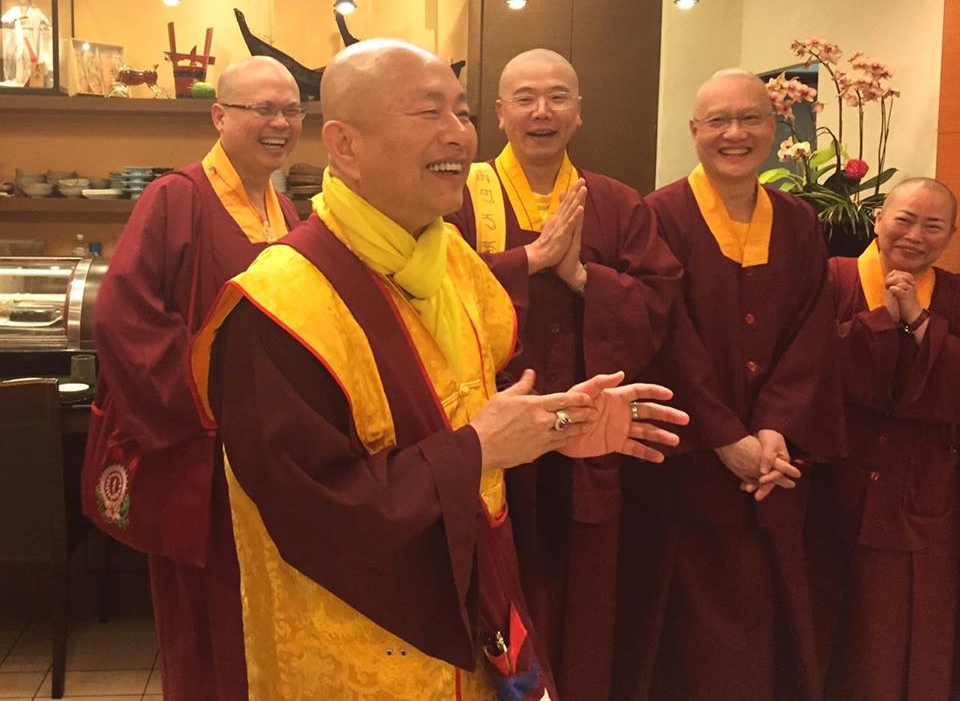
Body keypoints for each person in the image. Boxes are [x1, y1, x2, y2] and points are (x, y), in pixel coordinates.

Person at [188, 39, 687, 700]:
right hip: (364, 642)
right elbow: (315, 512)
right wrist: (478, 450)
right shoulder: (277, 306)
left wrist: (555, 426)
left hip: (478, 615)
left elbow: (472, 403)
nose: (459, 134)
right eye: (429, 112)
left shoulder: (450, 257)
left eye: (463, 111)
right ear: (345, 146)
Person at [447, 48, 682, 699]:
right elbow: (428, 289)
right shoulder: (462, 194)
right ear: (500, 113)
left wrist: (581, 277)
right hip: (492, 433)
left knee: (583, 602)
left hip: (589, 439)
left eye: (557, 97)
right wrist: (528, 260)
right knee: (494, 587)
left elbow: (658, 304)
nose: (541, 111)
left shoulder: (616, 202)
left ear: (579, 112)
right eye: (525, 98)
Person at [613, 69, 845, 701]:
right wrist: (723, 436)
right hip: (686, 467)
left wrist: (773, 430)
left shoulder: (798, 220)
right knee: (681, 641)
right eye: (718, 121)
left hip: (771, 466)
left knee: (767, 626)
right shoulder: (657, 216)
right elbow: (664, 336)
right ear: (695, 131)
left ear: (774, 127)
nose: (734, 134)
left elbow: (813, 332)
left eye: (750, 119)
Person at [81, 56, 305, 700]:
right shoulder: (177, 197)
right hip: (201, 451)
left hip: (273, 453)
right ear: (219, 116)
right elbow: (123, 318)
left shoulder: (287, 210)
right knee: (204, 626)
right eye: (263, 109)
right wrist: (206, 402)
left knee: (270, 623)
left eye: (292, 110)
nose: (281, 123)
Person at [821, 177, 958, 701]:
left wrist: (920, 323)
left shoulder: (953, 294)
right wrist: (881, 321)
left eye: (933, 226)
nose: (916, 236)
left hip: (920, 489)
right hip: (833, 480)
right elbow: (809, 368)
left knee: (903, 632)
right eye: (904, 219)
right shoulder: (832, 278)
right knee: (825, 623)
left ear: (950, 236)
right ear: (877, 219)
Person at [0, 0, 53, 88]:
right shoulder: (15, 10)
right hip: (20, 35)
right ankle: (20, 80)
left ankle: (32, 80)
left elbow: (47, 23)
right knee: (21, 57)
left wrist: (42, 27)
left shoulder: (35, 11)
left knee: (34, 58)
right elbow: (4, 20)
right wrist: (13, 22)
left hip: (33, 35)